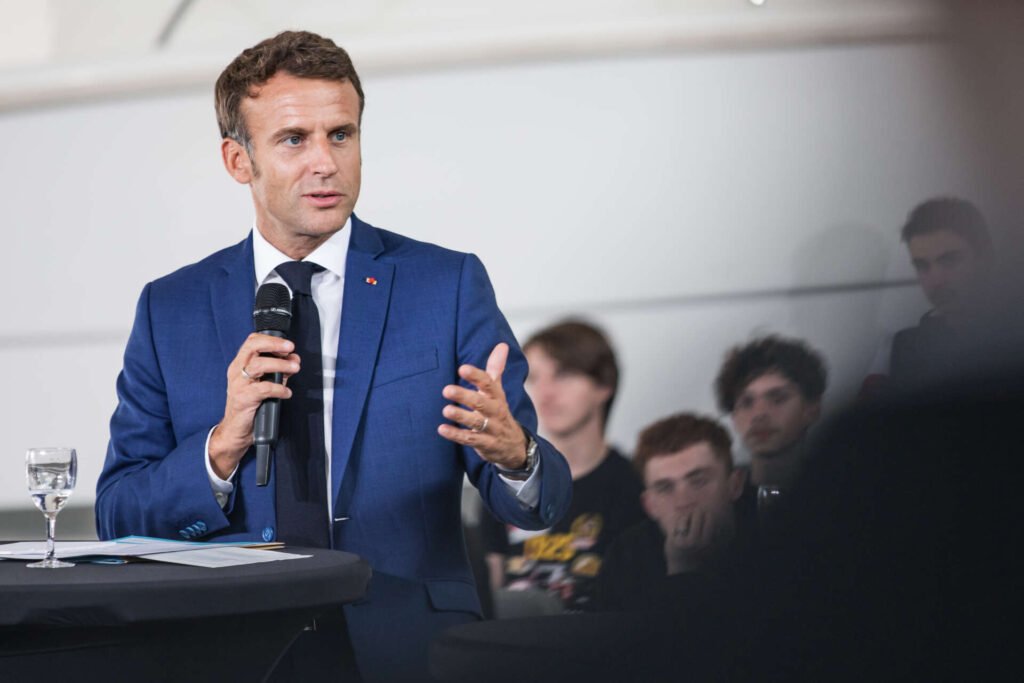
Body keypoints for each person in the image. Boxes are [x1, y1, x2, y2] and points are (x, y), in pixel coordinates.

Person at [94, 30, 571, 682]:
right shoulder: (169, 309)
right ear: (239, 160)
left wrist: (516, 458)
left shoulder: (446, 285)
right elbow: (118, 514)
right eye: (294, 140)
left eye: (340, 135)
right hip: (230, 650)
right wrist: (220, 447)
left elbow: (539, 503)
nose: (325, 161)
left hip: (409, 646)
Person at [478, 320, 644, 614]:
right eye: (535, 378)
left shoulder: (636, 485)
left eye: (563, 375)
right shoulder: (504, 480)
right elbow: (486, 593)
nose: (545, 393)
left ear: (604, 384)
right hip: (510, 643)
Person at [598, 413, 748, 613]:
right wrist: (680, 569)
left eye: (698, 481)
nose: (683, 501)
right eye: (665, 488)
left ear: (735, 484)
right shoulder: (625, 557)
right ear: (649, 505)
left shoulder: (773, 537)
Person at [887, 197, 995, 387]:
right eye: (922, 266)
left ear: (985, 258)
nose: (936, 280)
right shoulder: (910, 347)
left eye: (949, 261)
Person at [714, 335, 827, 495]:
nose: (759, 414)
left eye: (778, 399)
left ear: (812, 410)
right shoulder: (719, 502)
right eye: (746, 403)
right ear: (734, 418)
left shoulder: (847, 494)